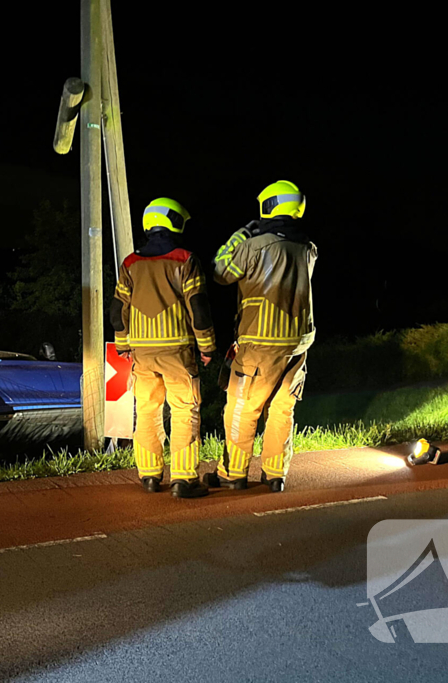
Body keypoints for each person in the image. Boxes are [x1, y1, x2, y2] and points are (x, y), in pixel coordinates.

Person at [205, 180, 316, 493]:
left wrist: (242, 233)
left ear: (268, 206)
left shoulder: (255, 244)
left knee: (242, 407)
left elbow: (220, 271)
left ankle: (232, 474)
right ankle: (275, 474)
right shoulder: (308, 248)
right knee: (282, 408)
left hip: (260, 341)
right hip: (298, 342)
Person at [109, 198, 216, 498]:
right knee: (184, 411)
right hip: (177, 351)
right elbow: (199, 308)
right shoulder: (185, 259)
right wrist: (207, 347)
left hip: (142, 353)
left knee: (146, 410)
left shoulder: (130, 264)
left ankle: (149, 476)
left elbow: (117, 311)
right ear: (175, 223)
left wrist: (123, 344)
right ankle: (184, 479)